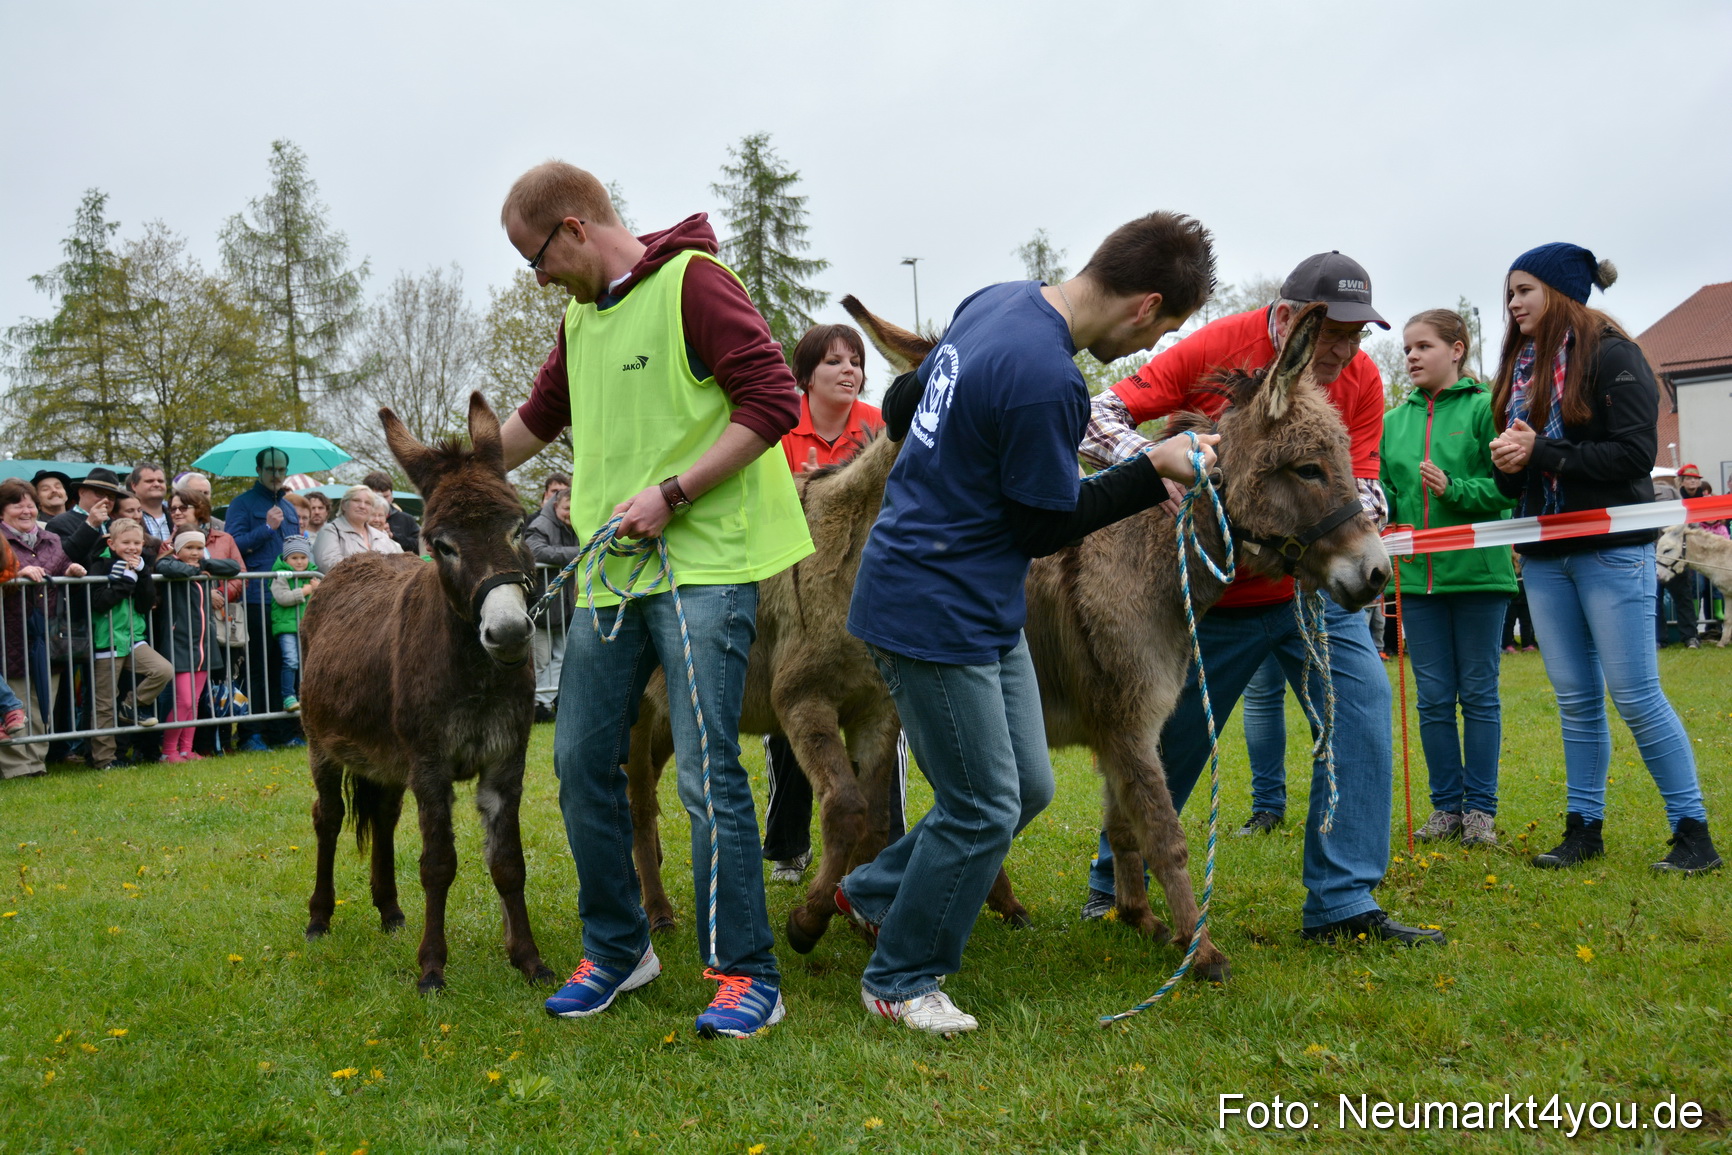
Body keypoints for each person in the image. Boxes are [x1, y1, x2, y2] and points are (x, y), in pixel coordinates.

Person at [841, 212, 1219, 1035]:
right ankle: (899, 976)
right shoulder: (1049, 377)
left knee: (1027, 785)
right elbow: (1045, 524)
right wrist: (1151, 466)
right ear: (1146, 305)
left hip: (980, 601)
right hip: (930, 605)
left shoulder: (996, 302)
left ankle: (871, 890)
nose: (1152, 344)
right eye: (1163, 330)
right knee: (981, 806)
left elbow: (903, 403)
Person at [497, 160, 812, 1038]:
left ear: (573, 227)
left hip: (704, 564)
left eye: (536, 258)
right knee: (578, 761)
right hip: (612, 573)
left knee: (709, 772)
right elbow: (534, 420)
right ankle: (619, 947)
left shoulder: (694, 283)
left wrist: (674, 493)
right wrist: (455, 471)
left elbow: (772, 399)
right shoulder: (580, 320)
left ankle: (748, 974)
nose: (538, 279)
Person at [1075, 251, 1445, 947]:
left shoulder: (1360, 381)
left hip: (1308, 590)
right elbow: (1096, 416)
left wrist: (1346, 527)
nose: (1344, 351)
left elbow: (1363, 486)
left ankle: (1343, 900)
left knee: (1362, 707)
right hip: (1212, 596)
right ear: (1286, 318)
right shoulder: (1215, 349)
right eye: (1331, 333)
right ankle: (1117, 880)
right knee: (1169, 740)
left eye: (1356, 335)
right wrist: (1162, 469)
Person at [1489, 243, 1721, 875]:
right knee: (1575, 699)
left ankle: (1694, 834)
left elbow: (1633, 457)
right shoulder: (1522, 368)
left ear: (1561, 292)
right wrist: (1507, 462)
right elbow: (1515, 482)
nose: (1513, 303)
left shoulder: (1615, 356)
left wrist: (1540, 453)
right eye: (1509, 292)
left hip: (1613, 553)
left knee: (1636, 694)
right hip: (1545, 556)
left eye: (1524, 290)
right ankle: (1583, 830)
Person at [764, 322, 906, 882]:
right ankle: (788, 846)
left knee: (882, 723)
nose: (850, 370)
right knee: (792, 723)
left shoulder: (882, 428)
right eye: (834, 361)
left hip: (869, 587)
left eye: (856, 361)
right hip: (793, 591)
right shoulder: (778, 430)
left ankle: (883, 844)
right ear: (805, 375)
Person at [1381, 309, 1517, 847]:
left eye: (1424, 346)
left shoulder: (1487, 408)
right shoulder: (1393, 422)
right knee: (1433, 699)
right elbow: (1385, 499)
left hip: (1479, 578)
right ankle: (1445, 809)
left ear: (1457, 350)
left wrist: (1454, 489)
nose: (1412, 356)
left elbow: (1507, 491)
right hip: (1416, 583)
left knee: (1479, 695)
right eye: (1407, 349)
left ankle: (1480, 811)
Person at [0, 479, 87, 779]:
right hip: (10, 632)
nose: (26, 511)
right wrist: (14, 573)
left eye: (30, 504)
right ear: (2, 511)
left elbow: (60, 565)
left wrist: (71, 569)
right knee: (17, 701)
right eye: (17, 505)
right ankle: (16, 766)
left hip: (47, 633)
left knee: (42, 699)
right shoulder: (1, 540)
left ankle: (36, 762)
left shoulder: (51, 538)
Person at [222, 448, 300, 751]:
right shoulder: (241, 504)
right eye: (270, 469)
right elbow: (233, 545)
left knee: (285, 665)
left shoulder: (289, 508)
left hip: (287, 600)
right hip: (257, 596)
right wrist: (267, 528)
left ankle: (282, 732)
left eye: (281, 469)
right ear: (258, 470)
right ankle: (251, 733)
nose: (276, 475)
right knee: (257, 666)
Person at [86, 518, 174, 769]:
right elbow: (99, 602)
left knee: (163, 670)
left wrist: (143, 574)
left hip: (134, 638)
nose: (133, 548)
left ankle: (130, 706)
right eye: (126, 543)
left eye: (137, 543)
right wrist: (125, 582)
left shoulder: (140, 565)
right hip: (106, 640)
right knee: (104, 703)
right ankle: (104, 759)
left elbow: (146, 604)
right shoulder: (100, 564)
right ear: (112, 544)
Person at [154, 530, 240, 763]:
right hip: (180, 642)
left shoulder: (202, 565)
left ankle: (186, 749)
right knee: (184, 700)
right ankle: (168, 751)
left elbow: (233, 567)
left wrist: (203, 564)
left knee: (194, 701)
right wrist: (196, 571)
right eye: (189, 548)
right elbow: (165, 566)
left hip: (202, 644)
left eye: (199, 548)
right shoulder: (171, 566)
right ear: (177, 549)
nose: (195, 552)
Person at [525, 488, 579, 724]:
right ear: (556, 506)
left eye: (573, 509)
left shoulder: (574, 525)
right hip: (543, 609)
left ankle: (543, 703)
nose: (570, 513)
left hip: (565, 609)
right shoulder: (540, 525)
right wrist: (578, 554)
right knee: (540, 660)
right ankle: (528, 704)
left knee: (561, 658)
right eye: (567, 508)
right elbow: (534, 551)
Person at [269, 535, 320, 714]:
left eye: (303, 557)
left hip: (307, 627)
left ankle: (305, 696)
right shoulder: (280, 576)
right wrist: (305, 591)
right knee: (291, 660)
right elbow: (283, 598)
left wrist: (318, 589)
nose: (299, 562)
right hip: (287, 627)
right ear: (286, 559)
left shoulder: (312, 576)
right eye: (294, 558)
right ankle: (288, 696)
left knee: (307, 662)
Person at [312, 487, 399, 572]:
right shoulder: (330, 531)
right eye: (356, 501)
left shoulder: (381, 536)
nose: (362, 506)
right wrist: (371, 569)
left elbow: (397, 564)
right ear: (344, 505)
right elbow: (328, 565)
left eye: (368, 503)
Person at [363, 471, 421, 554]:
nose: (382, 500)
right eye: (377, 497)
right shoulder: (357, 520)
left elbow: (418, 547)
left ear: (392, 495)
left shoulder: (406, 519)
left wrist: (393, 536)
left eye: (386, 496)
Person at [129, 462, 171, 544]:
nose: (156, 484)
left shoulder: (176, 516)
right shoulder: (126, 517)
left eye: (160, 481)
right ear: (134, 486)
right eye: (149, 481)